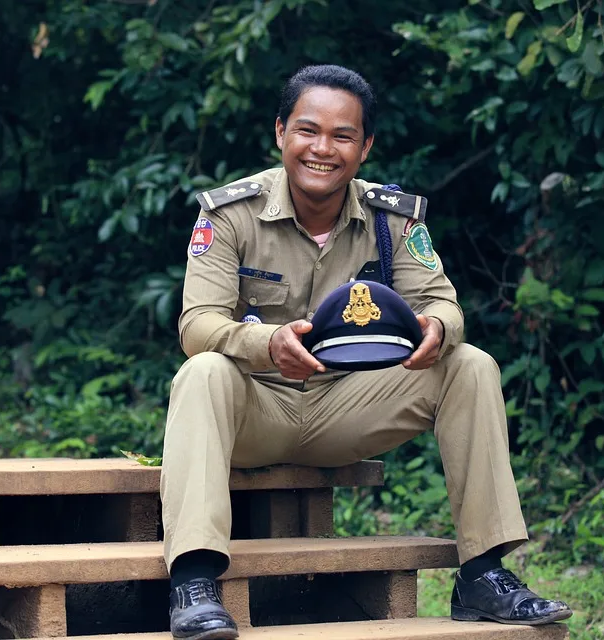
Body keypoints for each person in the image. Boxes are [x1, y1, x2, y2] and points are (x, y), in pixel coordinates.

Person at [161, 65, 572, 640]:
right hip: (255, 408)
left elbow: (445, 304)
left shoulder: (392, 218)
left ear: (366, 147)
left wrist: (435, 327)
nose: (322, 149)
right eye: (307, 130)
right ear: (281, 132)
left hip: (347, 406)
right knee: (202, 371)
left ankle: (482, 574)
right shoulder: (231, 214)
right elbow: (197, 324)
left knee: (471, 364)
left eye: (343, 135)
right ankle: (195, 580)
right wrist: (266, 342)